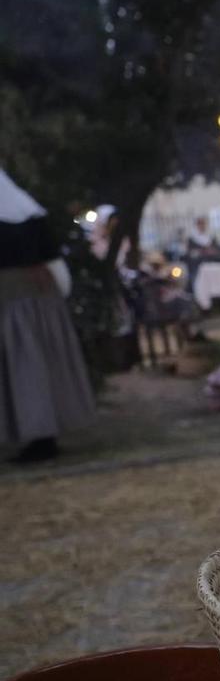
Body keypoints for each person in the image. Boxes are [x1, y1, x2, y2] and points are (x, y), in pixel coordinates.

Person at [0, 169, 96, 463]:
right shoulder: (30, 213)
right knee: (40, 364)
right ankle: (42, 434)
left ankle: (39, 436)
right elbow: (53, 261)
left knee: (24, 367)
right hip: (41, 298)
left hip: (13, 298)